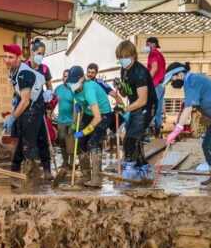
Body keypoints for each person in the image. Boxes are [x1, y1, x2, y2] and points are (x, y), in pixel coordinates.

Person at [164, 62, 211, 190]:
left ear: (180, 73)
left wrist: (176, 130)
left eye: (172, 78)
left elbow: (188, 109)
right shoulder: (193, 79)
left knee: (209, 145)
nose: (172, 82)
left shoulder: (192, 82)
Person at [1, 43, 47, 183]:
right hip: (28, 107)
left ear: (18, 57)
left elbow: (26, 101)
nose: (7, 60)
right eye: (5, 57)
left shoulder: (24, 73)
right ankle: (15, 173)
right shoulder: (14, 70)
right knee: (22, 140)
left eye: (11, 57)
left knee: (29, 143)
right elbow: (21, 94)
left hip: (34, 109)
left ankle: (32, 177)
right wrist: (16, 98)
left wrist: (12, 118)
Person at [114, 40, 157, 180]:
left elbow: (143, 100)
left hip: (146, 106)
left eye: (125, 57)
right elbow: (126, 94)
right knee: (134, 139)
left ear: (133, 56)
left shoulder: (140, 72)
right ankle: (143, 167)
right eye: (120, 57)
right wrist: (120, 87)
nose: (122, 60)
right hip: (134, 105)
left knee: (131, 138)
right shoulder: (124, 70)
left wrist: (124, 109)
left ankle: (130, 168)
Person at [66, 66, 113, 188]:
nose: (72, 84)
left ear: (82, 79)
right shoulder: (73, 89)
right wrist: (76, 118)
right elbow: (79, 103)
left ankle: (96, 178)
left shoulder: (89, 89)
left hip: (103, 114)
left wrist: (84, 132)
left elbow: (97, 118)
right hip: (88, 112)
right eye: (70, 82)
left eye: (74, 81)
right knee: (81, 144)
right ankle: (86, 176)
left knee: (93, 143)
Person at [27, 39, 56, 179]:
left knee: (44, 140)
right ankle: (31, 169)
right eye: (39, 53)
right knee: (29, 141)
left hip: (40, 108)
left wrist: (49, 93)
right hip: (26, 109)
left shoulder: (44, 69)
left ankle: (47, 171)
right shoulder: (24, 67)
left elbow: (50, 86)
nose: (41, 56)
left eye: (43, 54)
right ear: (32, 53)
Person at [53, 69, 76, 168]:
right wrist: (53, 116)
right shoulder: (58, 89)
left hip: (71, 121)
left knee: (70, 142)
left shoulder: (74, 90)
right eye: (65, 76)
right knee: (62, 141)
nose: (67, 78)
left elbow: (76, 106)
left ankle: (72, 163)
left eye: (68, 76)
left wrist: (75, 120)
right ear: (62, 77)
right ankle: (65, 161)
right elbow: (52, 103)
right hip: (61, 120)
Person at [144, 37, 166, 136]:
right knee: (158, 109)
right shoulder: (160, 54)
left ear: (153, 44)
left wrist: (146, 80)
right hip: (161, 85)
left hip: (155, 85)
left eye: (147, 44)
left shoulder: (153, 54)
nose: (146, 46)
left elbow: (154, 68)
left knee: (151, 108)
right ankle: (158, 132)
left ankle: (151, 132)